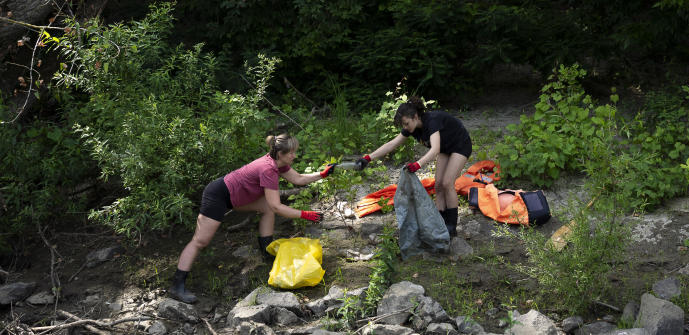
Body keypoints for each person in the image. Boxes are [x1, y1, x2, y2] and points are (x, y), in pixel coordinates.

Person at [171, 134, 333, 303]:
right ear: (280, 154)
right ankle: (177, 286)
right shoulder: (268, 169)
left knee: (267, 208)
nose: (294, 155)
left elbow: (298, 178)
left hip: (236, 197)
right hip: (218, 195)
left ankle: (266, 252)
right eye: (291, 153)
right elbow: (277, 206)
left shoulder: (279, 163)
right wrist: (305, 214)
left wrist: (322, 174)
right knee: (200, 241)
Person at [355, 97, 471, 237]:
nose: (405, 127)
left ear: (415, 116)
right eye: (403, 125)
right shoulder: (412, 127)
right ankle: (441, 223)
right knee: (438, 185)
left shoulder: (432, 121)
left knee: (447, 183)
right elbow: (392, 144)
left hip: (460, 144)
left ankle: (451, 227)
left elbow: (435, 149)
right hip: (446, 148)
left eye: (406, 123)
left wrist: (418, 164)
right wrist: (368, 158)